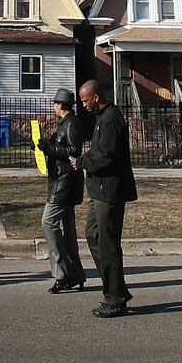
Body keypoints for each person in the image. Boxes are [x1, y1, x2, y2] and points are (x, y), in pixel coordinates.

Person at [71, 80, 137, 318]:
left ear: (96, 97)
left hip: (110, 191)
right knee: (93, 235)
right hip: (98, 190)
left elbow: (107, 158)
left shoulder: (111, 119)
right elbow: (97, 151)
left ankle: (115, 298)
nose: (84, 105)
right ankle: (117, 287)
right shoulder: (102, 118)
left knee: (108, 243)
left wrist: (82, 162)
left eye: (86, 100)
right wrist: (85, 157)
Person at [38, 88, 87, 294]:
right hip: (60, 180)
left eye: (55, 103)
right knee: (67, 231)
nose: (53, 107)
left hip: (65, 184)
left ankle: (63, 273)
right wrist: (46, 144)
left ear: (61, 105)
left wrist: (49, 148)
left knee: (48, 222)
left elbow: (74, 151)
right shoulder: (64, 123)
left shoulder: (72, 123)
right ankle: (75, 273)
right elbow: (62, 147)